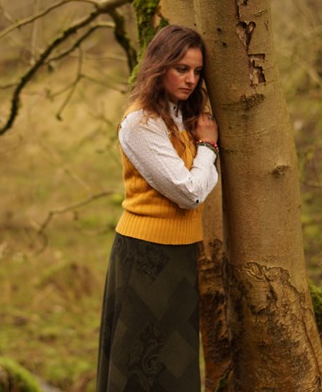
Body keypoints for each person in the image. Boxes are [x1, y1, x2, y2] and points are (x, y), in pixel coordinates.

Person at [97, 24, 219, 392]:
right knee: (140, 369)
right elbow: (190, 192)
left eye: (197, 72)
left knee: (174, 368)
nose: (191, 80)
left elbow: (194, 183)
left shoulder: (180, 117)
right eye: (181, 68)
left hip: (180, 256)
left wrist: (201, 149)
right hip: (145, 259)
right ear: (159, 65)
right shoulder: (140, 123)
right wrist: (209, 150)